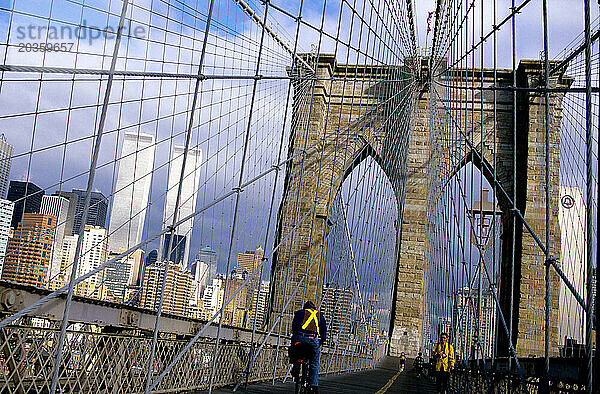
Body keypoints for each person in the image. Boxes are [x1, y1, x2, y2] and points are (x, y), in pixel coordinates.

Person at [290, 301, 327, 393]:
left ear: (305, 308)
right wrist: (321, 341)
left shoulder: (299, 313)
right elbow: (324, 331)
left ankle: (294, 364)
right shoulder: (319, 315)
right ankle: (314, 386)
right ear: (314, 308)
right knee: (314, 362)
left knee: (293, 348)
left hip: (298, 337)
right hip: (312, 339)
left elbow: (294, 327)